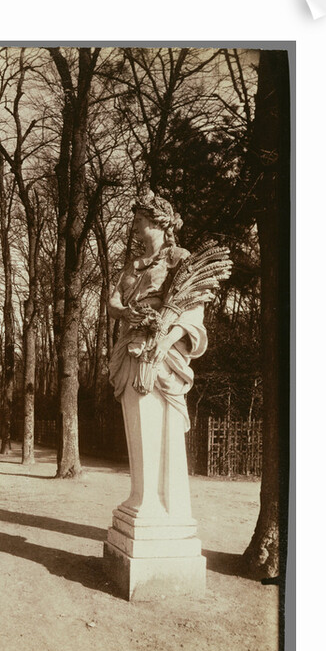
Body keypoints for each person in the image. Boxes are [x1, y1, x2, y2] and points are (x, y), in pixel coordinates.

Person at [108, 191, 207, 520]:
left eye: (140, 221)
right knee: (136, 431)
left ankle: (161, 505)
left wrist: (166, 339)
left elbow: (192, 307)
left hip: (161, 351)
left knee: (157, 429)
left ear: (160, 223)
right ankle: (140, 498)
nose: (135, 227)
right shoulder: (133, 265)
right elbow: (113, 302)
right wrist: (125, 315)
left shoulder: (178, 257)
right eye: (135, 221)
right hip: (132, 346)